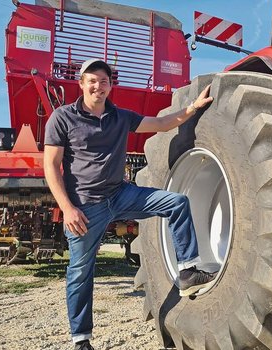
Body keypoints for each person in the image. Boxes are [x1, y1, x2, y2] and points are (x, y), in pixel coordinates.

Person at [43, 58, 216, 350]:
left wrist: (192, 108)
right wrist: (68, 208)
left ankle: (187, 271)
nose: (99, 85)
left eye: (104, 80)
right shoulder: (62, 118)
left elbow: (161, 124)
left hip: (120, 194)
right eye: (93, 80)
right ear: (82, 83)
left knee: (176, 203)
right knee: (81, 272)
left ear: (111, 86)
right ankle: (81, 339)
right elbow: (51, 165)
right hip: (85, 207)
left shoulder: (120, 117)